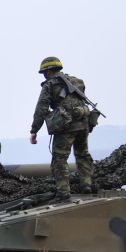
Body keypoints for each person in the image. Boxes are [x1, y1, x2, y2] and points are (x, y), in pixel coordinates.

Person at [30, 56, 96, 201]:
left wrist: (34, 130)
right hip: (83, 123)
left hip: (66, 126)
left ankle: (63, 192)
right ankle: (86, 184)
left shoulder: (49, 85)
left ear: (48, 71)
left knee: (59, 159)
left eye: (44, 73)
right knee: (83, 154)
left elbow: (41, 109)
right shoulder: (78, 81)